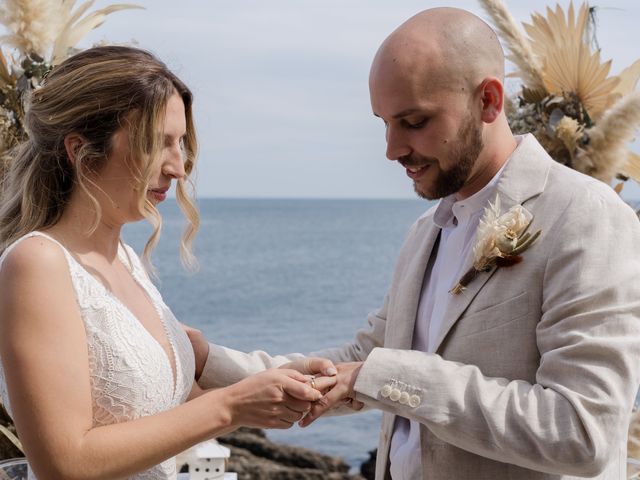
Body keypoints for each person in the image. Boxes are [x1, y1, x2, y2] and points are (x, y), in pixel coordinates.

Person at [191, 7, 640, 479]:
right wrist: (209, 361)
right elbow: (357, 362)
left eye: (414, 121)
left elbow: (583, 432)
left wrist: (389, 378)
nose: (392, 149)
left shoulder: (585, 215)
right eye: (384, 122)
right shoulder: (426, 231)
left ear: (488, 100)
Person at [0, 45, 337, 480]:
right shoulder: (37, 263)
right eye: (158, 144)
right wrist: (231, 405)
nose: (179, 167)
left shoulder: (123, 260)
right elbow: (64, 462)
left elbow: (162, 408)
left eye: (180, 143)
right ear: (81, 150)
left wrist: (274, 384)